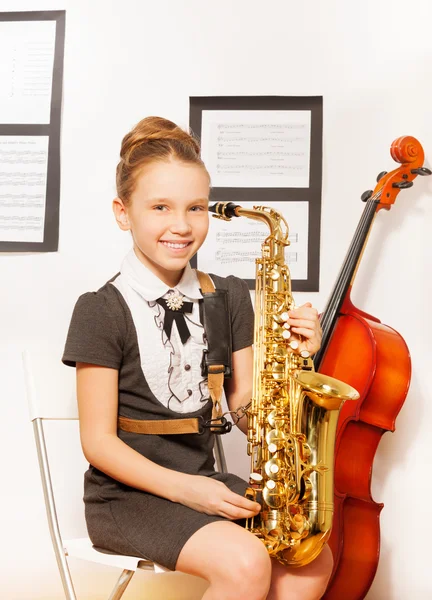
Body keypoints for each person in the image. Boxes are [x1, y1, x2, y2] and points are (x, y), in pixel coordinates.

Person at [62, 116, 332, 600]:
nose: (181, 226)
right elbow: (98, 443)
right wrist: (188, 490)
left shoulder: (228, 296)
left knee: (309, 552)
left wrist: (296, 363)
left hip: (204, 482)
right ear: (123, 213)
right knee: (246, 560)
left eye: (196, 208)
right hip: (126, 498)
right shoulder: (100, 309)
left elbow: (248, 406)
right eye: (160, 207)